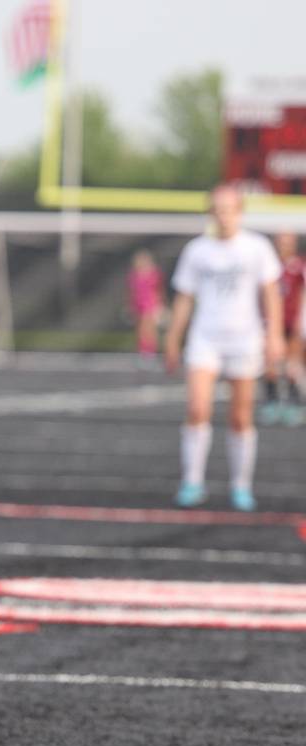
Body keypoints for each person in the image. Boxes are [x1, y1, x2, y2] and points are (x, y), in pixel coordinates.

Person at [163, 184, 284, 511]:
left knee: (241, 417)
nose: (224, 216)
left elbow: (271, 293)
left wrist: (274, 335)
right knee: (197, 408)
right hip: (205, 338)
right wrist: (173, 338)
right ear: (210, 213)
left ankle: (240, 485)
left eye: (229, 209)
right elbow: (184, 298)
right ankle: (192, 481)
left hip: (244, 339)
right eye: (217, 209)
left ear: (240, 212)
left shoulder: (256, 247)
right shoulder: (197, 251)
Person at [260, 231, 304, 426]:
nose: (284, 246)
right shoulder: (269, 265)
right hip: (271, 321)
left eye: (288, 242)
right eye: (280, 242)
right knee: (269, 364)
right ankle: (271, 401)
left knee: (292, 364)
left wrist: (300, 323)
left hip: (292, 320)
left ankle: (294, 403)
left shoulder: (299, 265)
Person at [127, 249, 163, 361]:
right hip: (138, 303)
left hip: (150, 303)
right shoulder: (134, 275)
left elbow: (158, 290)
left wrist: (159, 304)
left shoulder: (154, 274)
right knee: (140, 329)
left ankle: (150, 351)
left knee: (149, 328)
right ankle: (143, 350)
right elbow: (132, 291)